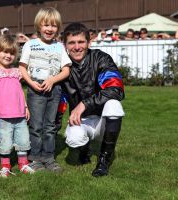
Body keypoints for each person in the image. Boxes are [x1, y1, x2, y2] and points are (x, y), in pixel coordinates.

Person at [61, 23, 125, 177]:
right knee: (74, 138)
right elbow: (58, 102)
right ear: (65, 45)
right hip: (81, 121)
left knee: (114, 104)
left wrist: (84, 103)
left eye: (81, 42)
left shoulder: (101, 58)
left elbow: (116, 88)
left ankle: (104, 160)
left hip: (103, 121)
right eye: (72, 43)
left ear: (89, 43)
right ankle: (84, 148)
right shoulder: (62, 67)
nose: (77, 47)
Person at [19, 7, 72, 173]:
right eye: (46, 25)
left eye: (54, 25)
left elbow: (66, 70)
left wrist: (52, 80)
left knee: (50, 126)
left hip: (54, 90)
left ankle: (49, 159)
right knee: (35, 126)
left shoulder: (59, 47)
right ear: (38, 25)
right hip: (35, 90)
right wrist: (31, 83)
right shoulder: (30, 45)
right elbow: (22, 68)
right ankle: (35, 159)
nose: (50, 29)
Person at [0, 34, 34, 177]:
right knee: (5, 142)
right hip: (2, 115)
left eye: (12, 53)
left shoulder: (17, 72)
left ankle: (23, 164)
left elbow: (19, 92)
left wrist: (25, 107)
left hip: (19, 114)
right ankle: (5, 167)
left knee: (23, 140)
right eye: (5, 51)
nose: (8, 55)